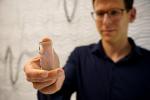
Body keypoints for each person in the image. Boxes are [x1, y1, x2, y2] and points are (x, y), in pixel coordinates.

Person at [24, 0, 150, 100]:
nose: (106, 22)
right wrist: (51, 79)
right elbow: (58, 92)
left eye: (114, 12)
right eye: (100, 13)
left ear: (132, 14)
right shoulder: (80, 57)